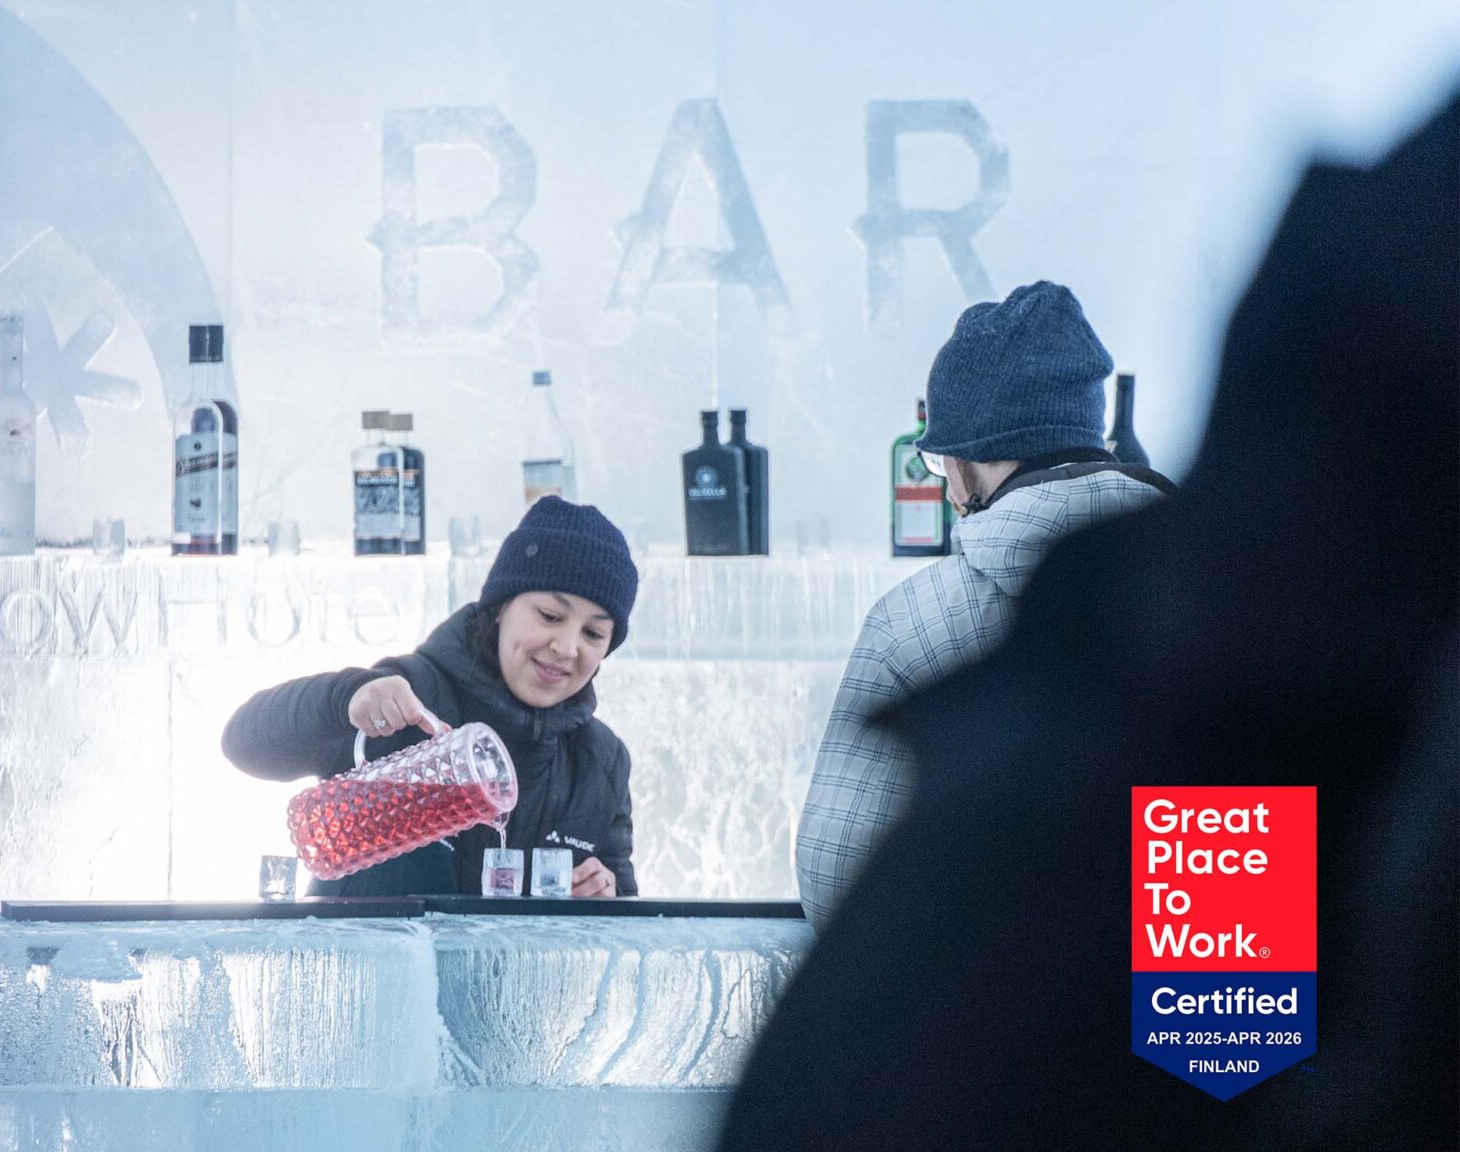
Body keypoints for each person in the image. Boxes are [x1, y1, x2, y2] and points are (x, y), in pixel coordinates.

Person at [721, 92, 1457, 1149]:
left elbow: (832, 865)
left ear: (970, 453)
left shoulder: (929, 618)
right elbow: (1229, 1025)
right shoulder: (1244, 624)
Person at [797, 281, 1174, 928]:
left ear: (975, 458)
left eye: (944, 466)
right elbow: (1246, 911)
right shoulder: (1218, 608)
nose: (945, 491)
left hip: (977, 1017)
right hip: (1182, 1016)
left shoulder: (911, 624)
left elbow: (835, 874)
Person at [223, 496, 640, 898]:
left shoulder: (601, 762)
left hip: (518, 974)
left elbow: (625, 934)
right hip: (369, 967)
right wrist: (345, 699)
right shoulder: (408, 700)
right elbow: (244, 744)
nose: (567, 648)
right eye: (550, 616)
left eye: (593, 633)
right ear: (499, 608)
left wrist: (607, 895)